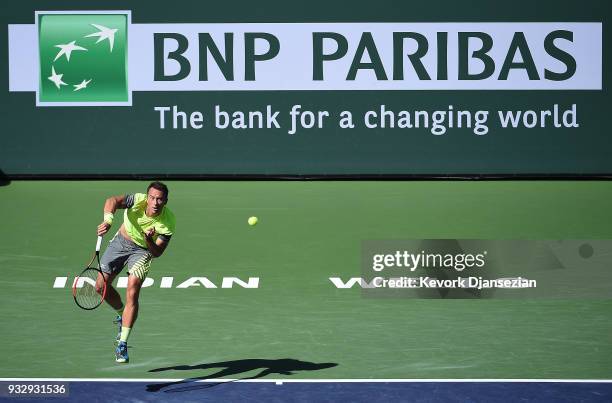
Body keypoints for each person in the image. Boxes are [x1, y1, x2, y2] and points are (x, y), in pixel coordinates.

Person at [95, 181, 176, 363]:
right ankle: (122, 313)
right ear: (147, 198)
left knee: (133, 289)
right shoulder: (137, 200)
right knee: (100, 288)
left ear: (166, 201)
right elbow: (112, 200)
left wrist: (148, 240)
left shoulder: (168, 221)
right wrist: (108, 220)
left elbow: (157, 253)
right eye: (153, 198)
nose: (155, 202)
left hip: (143, 251)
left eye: (160, 199)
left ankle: (122, 345)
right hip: (120, 242)